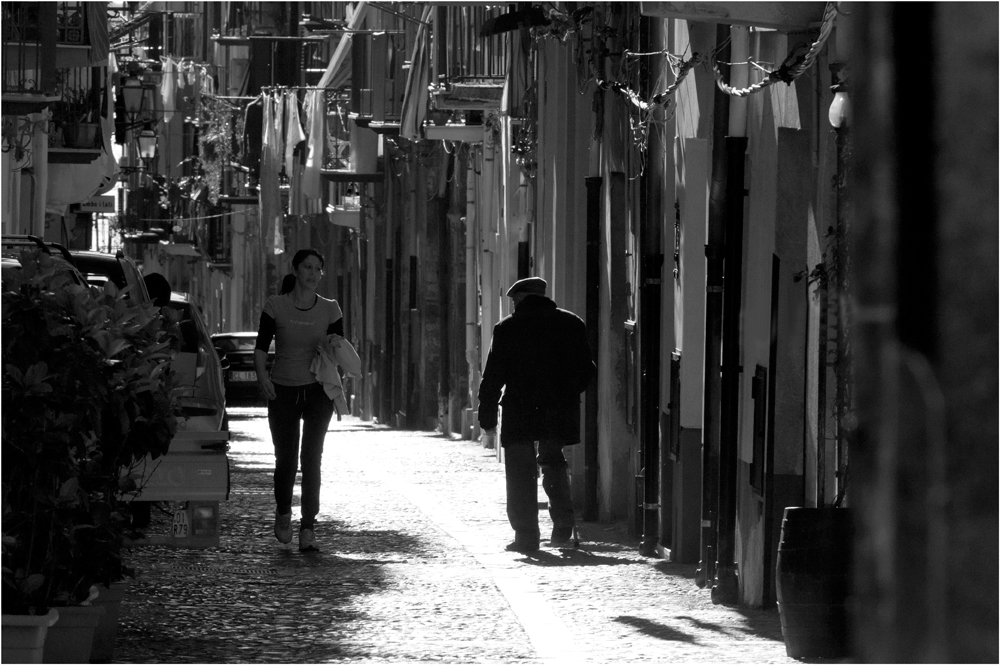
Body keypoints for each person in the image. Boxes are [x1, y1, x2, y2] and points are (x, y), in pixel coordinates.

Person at [478, 276, 596, 553]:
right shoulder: (571, 323)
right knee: (553, 461)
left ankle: (527, 535)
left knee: (520, 473)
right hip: (558, 408)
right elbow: (587, 369)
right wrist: (568, 391)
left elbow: (493, 376)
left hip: (520, 408)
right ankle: (563, 522)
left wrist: (487, 418)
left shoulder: (508, 327)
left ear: (520, 299)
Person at [254, 249, 345, 552]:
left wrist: (335, 346)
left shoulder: (331, 309)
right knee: (286, 459)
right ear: (294, 270)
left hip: (318, 390)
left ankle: (308, 526)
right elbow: (261, 348)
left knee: (312, 458)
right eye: (307, 267)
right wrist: (263, 377)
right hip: (283, 390)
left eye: (318, 269)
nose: (313, 273)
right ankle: (283, 512)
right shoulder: (275, 306)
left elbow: (338, 349)